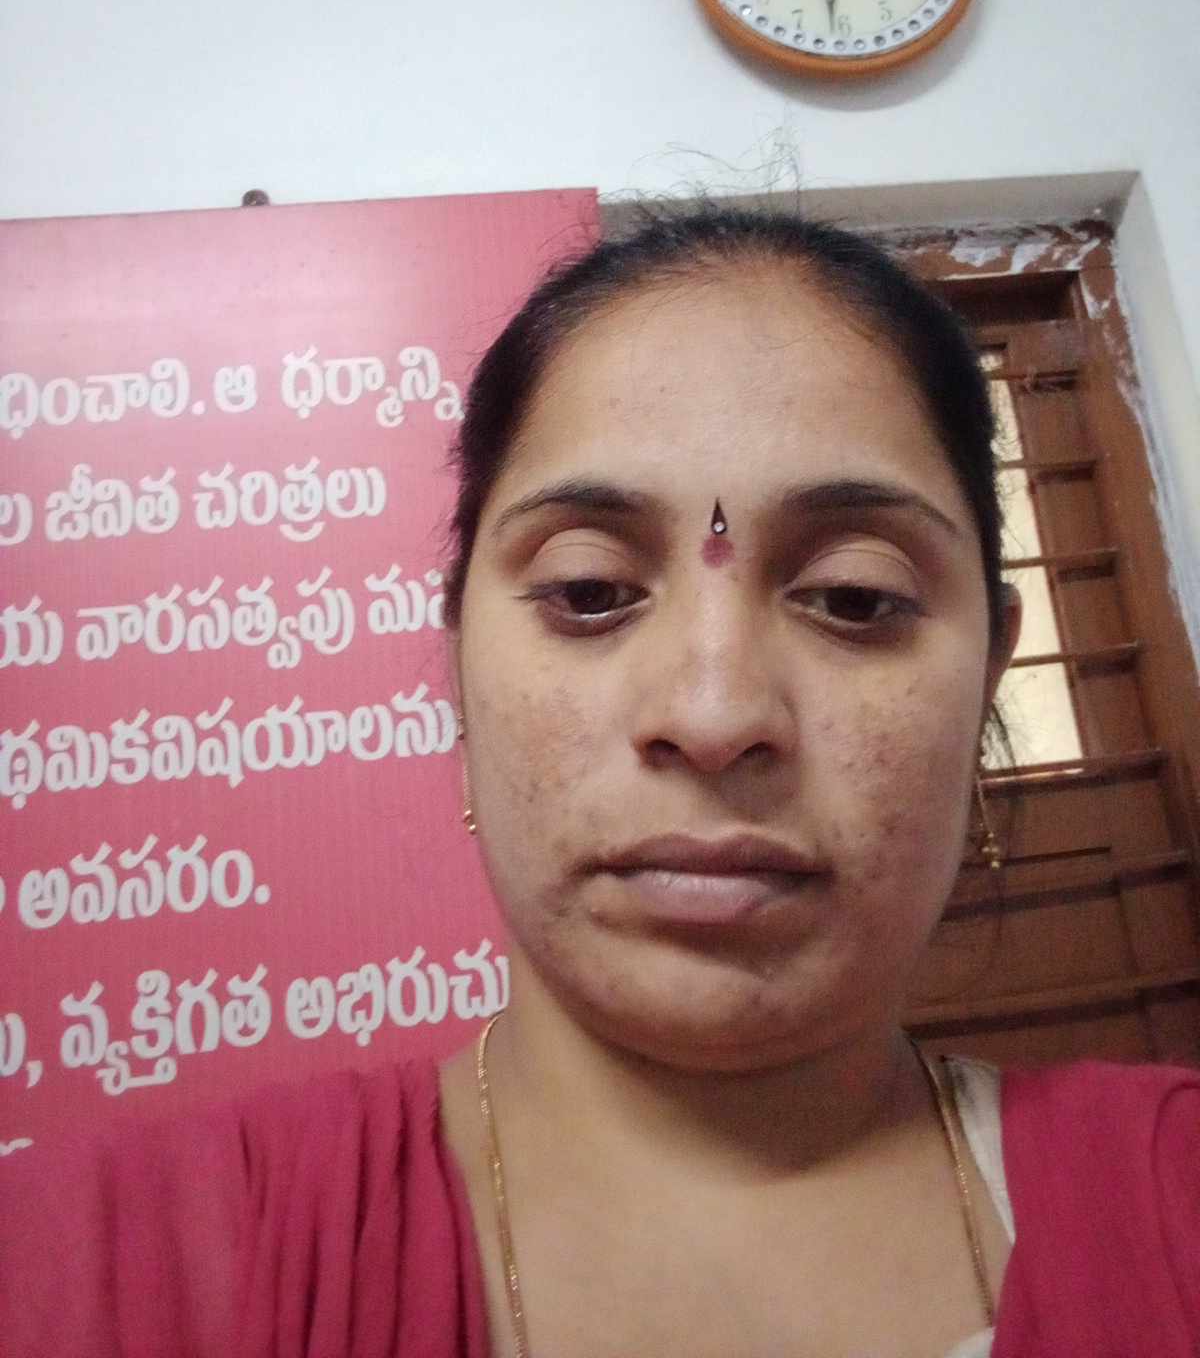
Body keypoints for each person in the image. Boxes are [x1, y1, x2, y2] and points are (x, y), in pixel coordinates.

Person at [3, 208, 1197, 1357]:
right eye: (587, 590)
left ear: (988, 673)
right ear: (457, 663)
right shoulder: (96, 1267)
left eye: (853, 596)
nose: (715, 715)